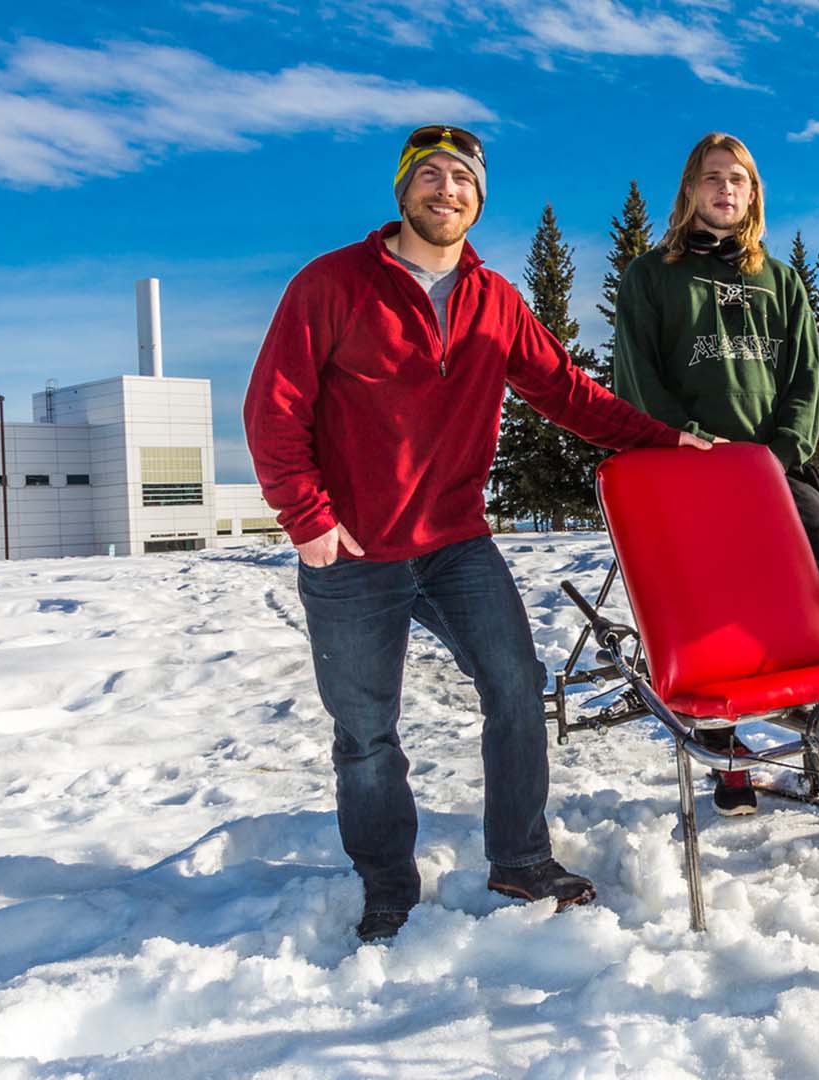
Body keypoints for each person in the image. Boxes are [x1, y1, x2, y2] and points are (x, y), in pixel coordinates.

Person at [245, 124, 713, 942]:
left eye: (462, 179)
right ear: (403, 191)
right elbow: (273, 405)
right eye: (429, 175)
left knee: (516, 686)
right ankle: (388, 884)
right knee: (366, 732)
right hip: (352, 550)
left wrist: (665, 440)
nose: (446, 190)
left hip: (456, 542)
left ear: (478, 199)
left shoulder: (494, 301)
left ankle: (520, 859)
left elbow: (566, 390)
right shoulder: (331, 284)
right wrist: (308, 518)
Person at [612, 132, 819, 816]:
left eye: (739, 180)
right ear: (691, 189)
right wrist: (686, 442)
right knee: (716, 612)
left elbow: (807, 379)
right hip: (688, 473)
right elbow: (638, 376)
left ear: (754, 195)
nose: (726, 189)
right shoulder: (651, 277)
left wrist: (779, 453)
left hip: (779, 469)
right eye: (713, 177)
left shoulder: (779, 280)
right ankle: (726, 755)